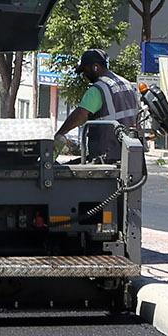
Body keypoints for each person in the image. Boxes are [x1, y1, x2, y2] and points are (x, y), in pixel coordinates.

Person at [54, 49, 145, 244]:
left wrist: (59, 134)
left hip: (107, 155)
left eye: (86, 70)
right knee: (125, 204)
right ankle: (124, 238)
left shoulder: (99, 89)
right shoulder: (126, 84)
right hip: (129, 155)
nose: (84, 75)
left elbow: (80, 115)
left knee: (97, 200)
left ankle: (95, 238)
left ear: (96, 67)